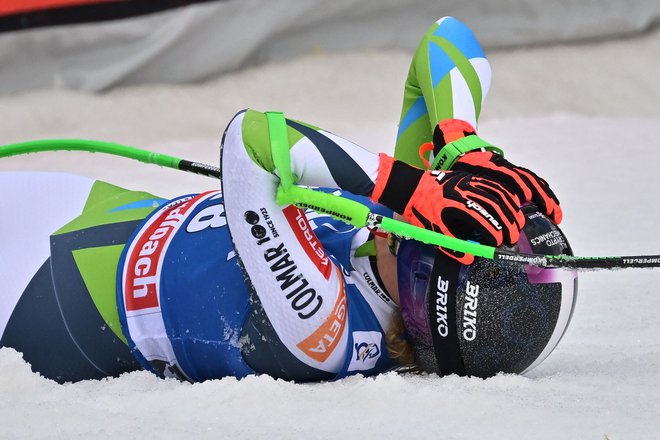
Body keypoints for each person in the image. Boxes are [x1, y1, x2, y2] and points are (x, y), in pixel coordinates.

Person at [0, 17, 577, 383]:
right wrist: (464, 146)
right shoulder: (399, 244)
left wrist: (412, 187)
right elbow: (449, 38)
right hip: (100, 209)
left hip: (37, 297)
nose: (428, 216)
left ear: (426, 272)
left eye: (458, 235)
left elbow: (250, 143)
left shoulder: (325, 331)